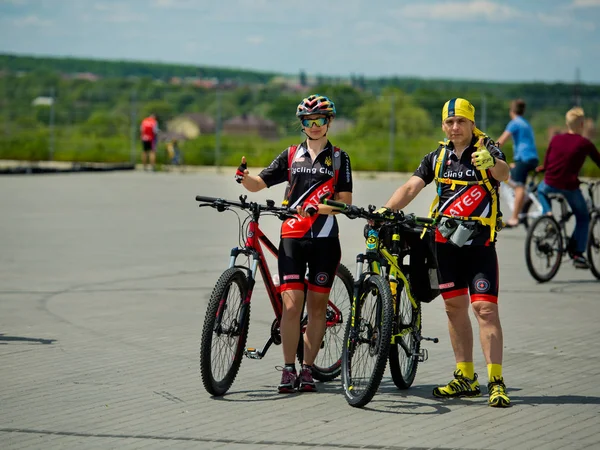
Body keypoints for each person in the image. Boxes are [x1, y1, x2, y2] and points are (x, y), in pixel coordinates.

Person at [380, 98, 512, 408]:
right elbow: (412, 187)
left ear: (471, 123)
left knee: (485, 310)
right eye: (450, 122)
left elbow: (505, 174)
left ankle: (495, 380)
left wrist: (491, 163)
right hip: (444, 245)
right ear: (443, 125)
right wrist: (385, 210)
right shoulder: (437, 157)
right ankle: (465, 376)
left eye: (461, 122)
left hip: (479, 245)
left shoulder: (486, 149)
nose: (455, 127)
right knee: (454, 309)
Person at [234, 94, 353, 393]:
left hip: (325, 239)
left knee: (316, 308)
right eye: (308, 122)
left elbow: (345, 204)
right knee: (290, 306)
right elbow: (260, 183)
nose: (314, 126)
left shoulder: (339, 158)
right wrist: (243, 178)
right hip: (292, 238)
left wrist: (319, 208)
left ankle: (308, 369)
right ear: (302, 124)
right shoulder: (290, 155)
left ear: (329, 122)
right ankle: (288, 369)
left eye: (320, 120)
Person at [537, 106, 600, 269]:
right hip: (569, 186)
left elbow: (547, 161)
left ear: (567, 123)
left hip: (550, 183)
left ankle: (548, 214)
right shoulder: (585, 143)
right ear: (582, 125)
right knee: (583, 216)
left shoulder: (556, 139)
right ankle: (577, 253)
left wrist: (543, 168)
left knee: (540, 190)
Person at [497, 99, 539, 227]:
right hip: (530, 158)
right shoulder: (525, 123)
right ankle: (523, 198)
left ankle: (514, 218)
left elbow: (501, 141)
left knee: (518, 185)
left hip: (524, 158)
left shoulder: (514, 123)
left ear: (512, 111)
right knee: (510, 174)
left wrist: (488, 149)